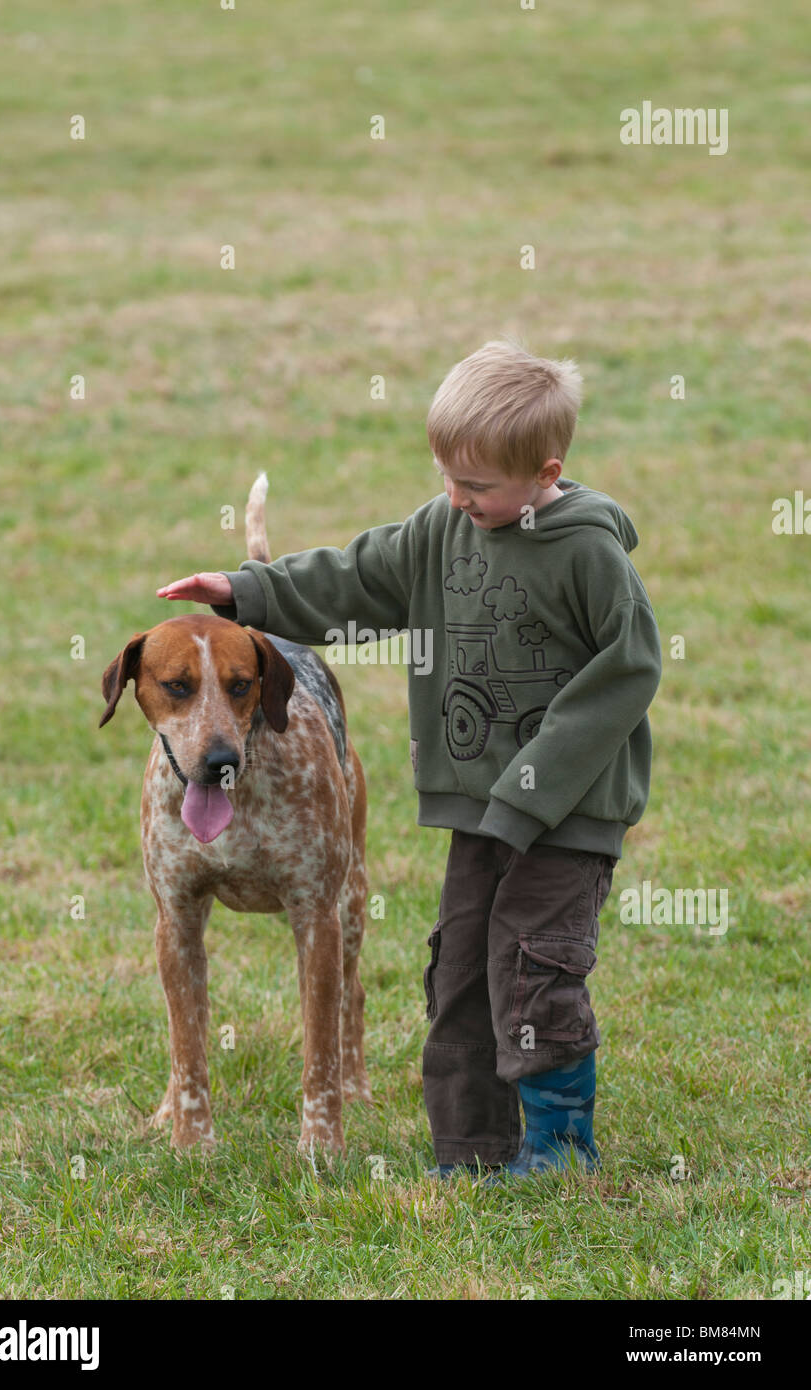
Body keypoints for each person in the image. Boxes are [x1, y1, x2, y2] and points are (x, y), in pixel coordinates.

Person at [156, 338, 662, 1182]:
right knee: (460, 966)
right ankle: (470, 1150)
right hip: (477, 807)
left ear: (544, 472)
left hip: (569, 813)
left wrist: (539, 781)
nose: (456, 499)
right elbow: (354, 578)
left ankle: (560, 1144)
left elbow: (629, 669)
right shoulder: (441, 531)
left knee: (534, 963)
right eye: (446, 479)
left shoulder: (586, 552)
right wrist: (246, 593)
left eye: (477, 487)